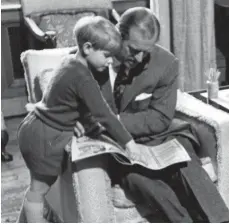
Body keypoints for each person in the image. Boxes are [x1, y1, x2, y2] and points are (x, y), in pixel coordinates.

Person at [79, 7, 228, 222]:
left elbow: (160, 118)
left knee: (187, 167)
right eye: (133, 49)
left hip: (164, 137)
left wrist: (114, 121)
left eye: (146, 51)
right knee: (144, 183)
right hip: (122, 148)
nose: (139, 57)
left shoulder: (166, 63)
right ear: (119, 35)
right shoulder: (95, 59)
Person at [17, 16, 142, 223]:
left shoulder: (69, 61)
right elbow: (105, 114)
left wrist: (73, 119)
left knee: (36, 189)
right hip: (44, 136)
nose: (111, 61)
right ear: (87, 48)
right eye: (107, 55)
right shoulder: (83, 78)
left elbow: (61, 101)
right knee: (39, 190)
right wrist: (129, 143)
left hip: (36, 126)